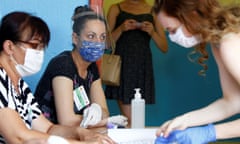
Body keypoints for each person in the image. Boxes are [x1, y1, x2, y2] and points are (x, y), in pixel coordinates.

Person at [0, 11, 115, 144]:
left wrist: (81, 133)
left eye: (42, 48)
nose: (39, 53)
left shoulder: (20, 87)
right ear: (9, 46)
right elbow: (19, 137)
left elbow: (48, 129)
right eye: (34, 46)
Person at [153, 0, 240, 143]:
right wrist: (185, 120)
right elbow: (233, 101)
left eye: (172, 30)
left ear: (192, 15)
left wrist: (210, 132)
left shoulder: (230, 43)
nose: (172, 37)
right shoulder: (219, 40)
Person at [34, 5, 127, 129]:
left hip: (74, 134)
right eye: (90, 36)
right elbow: (67, 120)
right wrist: (97, 121)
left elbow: (105, 111)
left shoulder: (91, 68)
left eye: (102, 37)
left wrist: (97, 110)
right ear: (75, 38)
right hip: (47, 135)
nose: (98, 42)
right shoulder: (63, 65)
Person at [104, 0, 168, 127]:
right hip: (122, 66)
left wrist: (152, 32)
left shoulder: (152, 11)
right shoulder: (116, 8)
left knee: (136, 121)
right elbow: (106, 44)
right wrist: (121, 29)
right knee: (131, 121)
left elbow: (164, 47)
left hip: (143, 66)